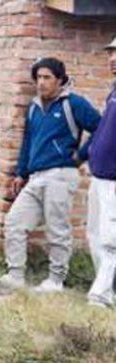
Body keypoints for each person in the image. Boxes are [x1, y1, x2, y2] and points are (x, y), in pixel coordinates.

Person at [0, 58, 101, 293]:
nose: (41, 83)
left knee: (57, 229)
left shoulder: (73, 103)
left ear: (60, 80)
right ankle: (15, 275)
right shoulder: (34, 107)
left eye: (47, 78)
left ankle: (56, 281)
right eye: (38, 78)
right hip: (35, 177)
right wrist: (21, 173)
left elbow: (101, 128)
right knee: (14, 222)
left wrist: (80, 155)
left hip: (61, 175)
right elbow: (28, 142)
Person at [78, 38, 116, 309]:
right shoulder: (113, 91)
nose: (112, 59)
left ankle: (100, 296)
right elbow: (104, 129)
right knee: (94, 234)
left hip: (114, 178)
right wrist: (83, 154)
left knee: (110, 238)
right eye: (111, 53)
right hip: (99, 175)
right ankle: (107, 289)